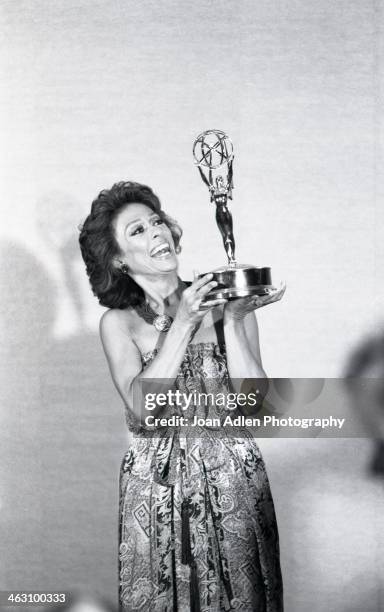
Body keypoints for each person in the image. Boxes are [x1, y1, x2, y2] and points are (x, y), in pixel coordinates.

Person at [79, 181, 285, 612]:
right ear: (117, 258)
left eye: (156, 221)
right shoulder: (118, 324)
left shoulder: (228, 300)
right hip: (156, 490)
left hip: (234, 482)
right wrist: (183, 322)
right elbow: (143, 407)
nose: (156, 232)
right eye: (137, 230)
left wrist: (233, 320)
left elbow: (259, 409)